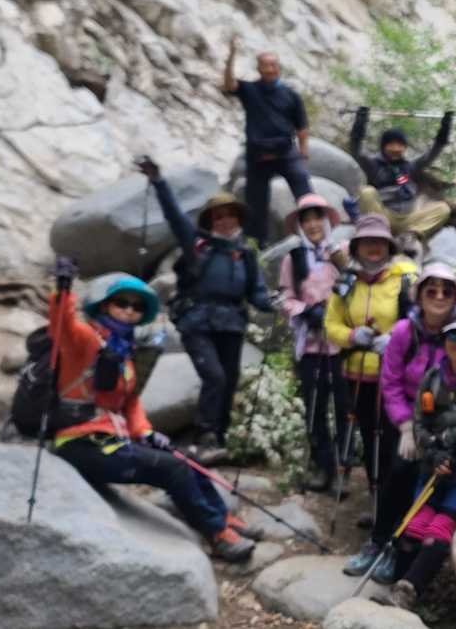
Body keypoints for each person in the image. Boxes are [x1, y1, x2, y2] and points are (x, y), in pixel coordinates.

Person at [48, 263, 261, 562]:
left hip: (112, 441)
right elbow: (62, 325)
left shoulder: (124, 353)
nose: (129, 311)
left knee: (184, 459)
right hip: (79, 444)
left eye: (136, 307)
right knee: (171, 469)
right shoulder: (84, 340)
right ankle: (217, 534)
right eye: (121, 303)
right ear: (104, 306)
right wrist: (63, 290)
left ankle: (222, 517)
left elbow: (129, 403)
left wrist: (145, 432)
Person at [138, 157, 274, 465]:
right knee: (214, 376)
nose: (225, 221)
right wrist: (158, 181)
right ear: (210, 221)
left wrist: (274, 303)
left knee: (229, 379)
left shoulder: (245, 255)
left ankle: (219, 439)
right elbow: (174, 217)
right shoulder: (197, 245)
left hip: (232, 324)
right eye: (218, 217)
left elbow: (256, 293)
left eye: (230, 216)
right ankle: (205, 436)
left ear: (238, 220)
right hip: (197, 321)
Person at [372, 309, 456, 612]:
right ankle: (399, 587)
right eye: (453, 336)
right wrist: (432, 451)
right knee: (413, 526)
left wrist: (455, 452)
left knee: (438, 529)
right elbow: (420, 422)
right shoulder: (432, 377)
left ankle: (409, 593)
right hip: (433, 466)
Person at [344, 263, 456, 576]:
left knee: (423, 481)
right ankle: (378, 541)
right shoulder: (403, 332)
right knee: (396, 472)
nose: (439, 297)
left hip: (442, 421)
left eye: (446, 291)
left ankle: (400, 550)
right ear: (419, 295)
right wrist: (406, 426)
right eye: (431, 290)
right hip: (403, 418)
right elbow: (391, 382)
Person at [323, 214, 419, 511]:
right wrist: (352, 336)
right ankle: (377, 501)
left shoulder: (405, 279)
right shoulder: (347, 283)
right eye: (367, 242)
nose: (374, 247)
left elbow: (419, 321)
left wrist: (395, 339)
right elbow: (331, 325)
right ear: (356, 248)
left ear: (389, 246)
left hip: (395, 378)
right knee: (369, 438)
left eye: (379, 241)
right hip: (356, 375)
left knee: (393, 440)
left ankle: (395, 506)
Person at [277, 193, 347, 492]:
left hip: (342, 344)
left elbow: (355, 284)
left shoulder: (342, 252)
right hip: (310, 344)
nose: (313, 224)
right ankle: (321, 465)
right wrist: (305, 311)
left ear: (327, 221)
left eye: (317, 217)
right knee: (315, 407)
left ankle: (343, 468)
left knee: (344, 408)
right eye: (306, 220)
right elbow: (285, 297)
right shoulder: (292, 259)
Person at [223, 35, 313, 246]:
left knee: (304, 189)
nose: (271, 69)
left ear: (278, 67)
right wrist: (231, 57)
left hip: (285, 152)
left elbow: (301, 127)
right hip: (258, 155)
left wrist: (303, 152)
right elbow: (229, 85)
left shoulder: (290, 95)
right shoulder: (249, 90)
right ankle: (257, 245)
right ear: (259, 68)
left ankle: (314, 228)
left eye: (274, 65)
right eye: (266, 65)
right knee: (255, 203)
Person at [349, 106, 454, 239]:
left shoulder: (411, 166)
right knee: (366, 192)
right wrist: (361, 120)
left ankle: (411, 236)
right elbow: (356, 149)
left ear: (404, 148)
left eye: (400, 145)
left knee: (443, 209)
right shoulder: (373, 164)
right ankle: (377, 232)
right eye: (391, 145)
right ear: (383, 147)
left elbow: (434, 152)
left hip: (408, 219)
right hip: (382, 216)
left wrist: (445, 126)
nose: (395, 149)